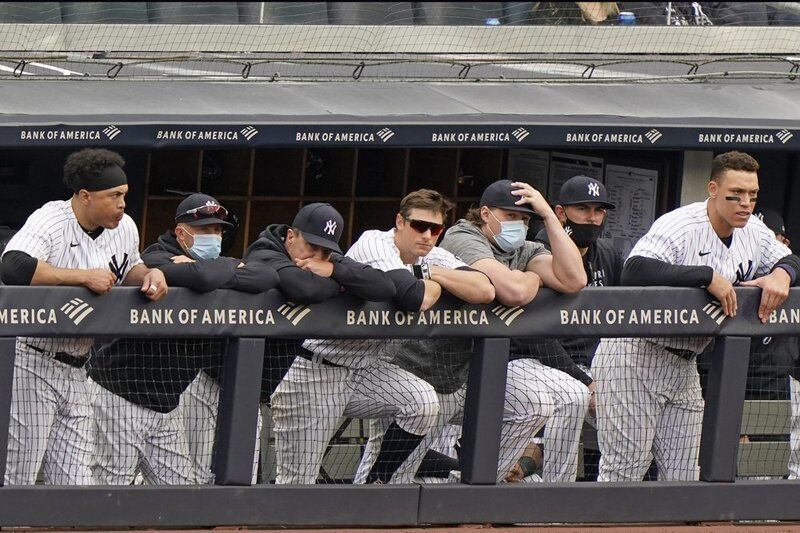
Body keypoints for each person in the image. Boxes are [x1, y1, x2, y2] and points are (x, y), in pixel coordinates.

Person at [592, 151, 800, 482]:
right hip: (634, 354)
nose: (745, 203)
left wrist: (782, 275)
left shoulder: (755, 231)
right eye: (736, 195)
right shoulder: (681, 224)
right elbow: (635, 269)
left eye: (752, 195)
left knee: (685, 474)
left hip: (686, 361)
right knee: (626, 466)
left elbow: (790, 260)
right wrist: (705, 275)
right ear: (713, 189)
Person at [353, 187, 550, 485]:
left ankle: (373, 487)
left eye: (435, 229)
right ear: (400, 222)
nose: (427, 235)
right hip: (320, 363)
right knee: (297, 478)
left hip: (373, 365)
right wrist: (429, 282)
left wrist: (430, 271)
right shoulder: (375, 242)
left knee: (420, 405)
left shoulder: (433, 255)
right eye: (420, 226)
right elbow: (415, 297)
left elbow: (484, 290)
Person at [0, 148, 167, 485]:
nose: (122, 204)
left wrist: (150, 274)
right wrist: (80, 276)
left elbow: (130, 266)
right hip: (31, 360)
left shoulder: (125, 227)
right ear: (85, 196)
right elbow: (13, 265)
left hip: (79, 367)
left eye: (124, 195)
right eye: (114, 196)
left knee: (74, 482)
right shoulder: (51, 220)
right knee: (19, 473)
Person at [87, 193, 279, 485]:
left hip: (167, 407)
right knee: (108, 493)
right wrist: (230, 267)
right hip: (118, 398)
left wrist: (215, 267)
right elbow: (202, 279)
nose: (214, 236)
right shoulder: (153, 257)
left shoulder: (204, 262)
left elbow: (267, 276)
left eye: (218, 230)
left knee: (181, 494)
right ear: (181, 232)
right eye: (205, 230)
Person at [244, 202, 409, 484]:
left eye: (326, 250)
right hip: (226, 383)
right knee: (220, 478)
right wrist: (341, 283)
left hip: (272, 380)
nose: (317, 256)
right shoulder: (265, 251)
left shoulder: (327, 260)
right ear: (291, 236)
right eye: (311, 246)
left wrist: (333, 270)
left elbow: (383, 287)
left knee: (295, 482)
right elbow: (305, 288)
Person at [440, 178, 589, 482]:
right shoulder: (462, 236)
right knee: (413, 472)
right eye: (511, 216)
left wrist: (547, 214)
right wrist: (532, 278)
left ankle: (499, 485)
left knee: (558, 398)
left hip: (481, 363)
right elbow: (514, 292)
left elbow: (575, 280)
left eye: (524, 218)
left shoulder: (526, 248)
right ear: (485, 214)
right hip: (434, 365)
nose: (519, 224)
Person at [506, 175, 623, 482]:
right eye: (583, 209)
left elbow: (625, 315)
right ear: (560, 213)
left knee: (634, 414)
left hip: (595, 364)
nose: (592, 218)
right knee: (573, 399)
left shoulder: (607, 253)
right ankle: (556, 489)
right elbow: (534, 334)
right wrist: (585, 381)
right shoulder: (537, 251)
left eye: (599, 210)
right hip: (537, 362)